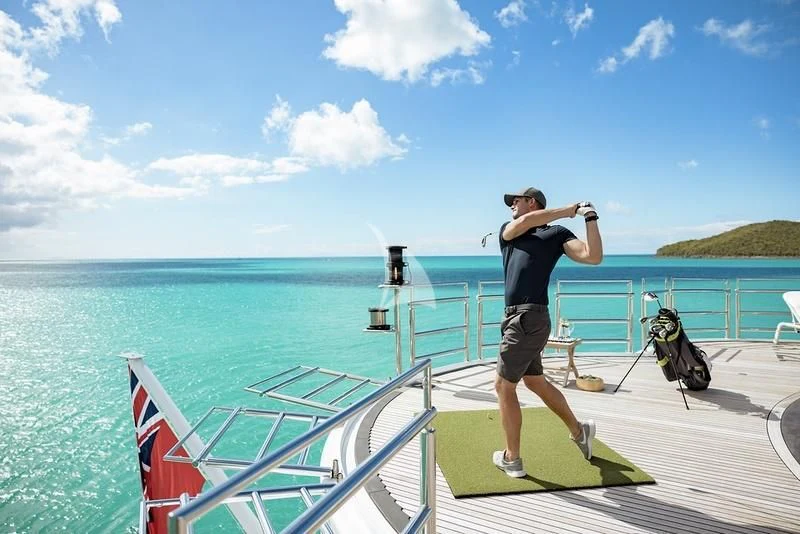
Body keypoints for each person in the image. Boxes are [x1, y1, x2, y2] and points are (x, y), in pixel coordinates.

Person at [492, 186, 603, 478]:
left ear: (531, 202)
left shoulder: (556, 234)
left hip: (528, 318)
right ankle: (580, 432)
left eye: (515, 201)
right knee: (535, 382)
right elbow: (526, 223)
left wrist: (590, 217)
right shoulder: (510, 230)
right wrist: (571, 209)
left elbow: (593, 257)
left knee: (504, 387)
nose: (511, 206)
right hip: (522, 319)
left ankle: (511, 459)